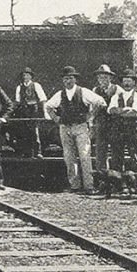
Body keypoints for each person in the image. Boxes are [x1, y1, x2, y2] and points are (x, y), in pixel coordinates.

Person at [44, 66, 107, 194]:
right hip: (65, 127)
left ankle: (89, 186)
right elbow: (48, 106)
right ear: (63, 80)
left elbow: (101, 102)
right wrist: (56, 119)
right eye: (66, 79)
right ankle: (75, 186)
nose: (68, 81)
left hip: (81, 127)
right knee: (69, 157)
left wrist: (91, 116)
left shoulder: (83, 91)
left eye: (71, 78)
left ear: (75, 79)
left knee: (84, 155)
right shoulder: (60, 94)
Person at [107, 69, 137, 195]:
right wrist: (126, 110)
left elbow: (135, 113)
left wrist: (121, 111)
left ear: (134, 83)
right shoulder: (116, 96)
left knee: (134, 157)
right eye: (125, 81)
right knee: (117, 157)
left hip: (132, 130)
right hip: (117, 130)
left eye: (129, 81)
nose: (127, 83)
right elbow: (111, 110)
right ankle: (118, 186)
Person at [91, 64, 123, 186]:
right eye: (100, 78)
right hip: (101, 124)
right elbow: (93, 108)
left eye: (105, 77)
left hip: (114, 124)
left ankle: (117, 183)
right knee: (100, 152)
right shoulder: (95, 90)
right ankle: (102, 183)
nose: (102, 80)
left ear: (110, 78)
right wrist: (92, 124)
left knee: (116, 152)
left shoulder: (117, 89)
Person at [13, 67, 47, 158]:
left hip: (33, 111)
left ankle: (38, 152)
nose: (25, 77)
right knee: (24, 132)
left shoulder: (36, 85)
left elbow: (43, 99)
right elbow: (17, 101)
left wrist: (45, 112)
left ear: (31, 76)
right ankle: (26, 152)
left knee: (34, 131)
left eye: (27, 75)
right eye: (24, 75)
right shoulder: (19, 87)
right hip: (23, 111)